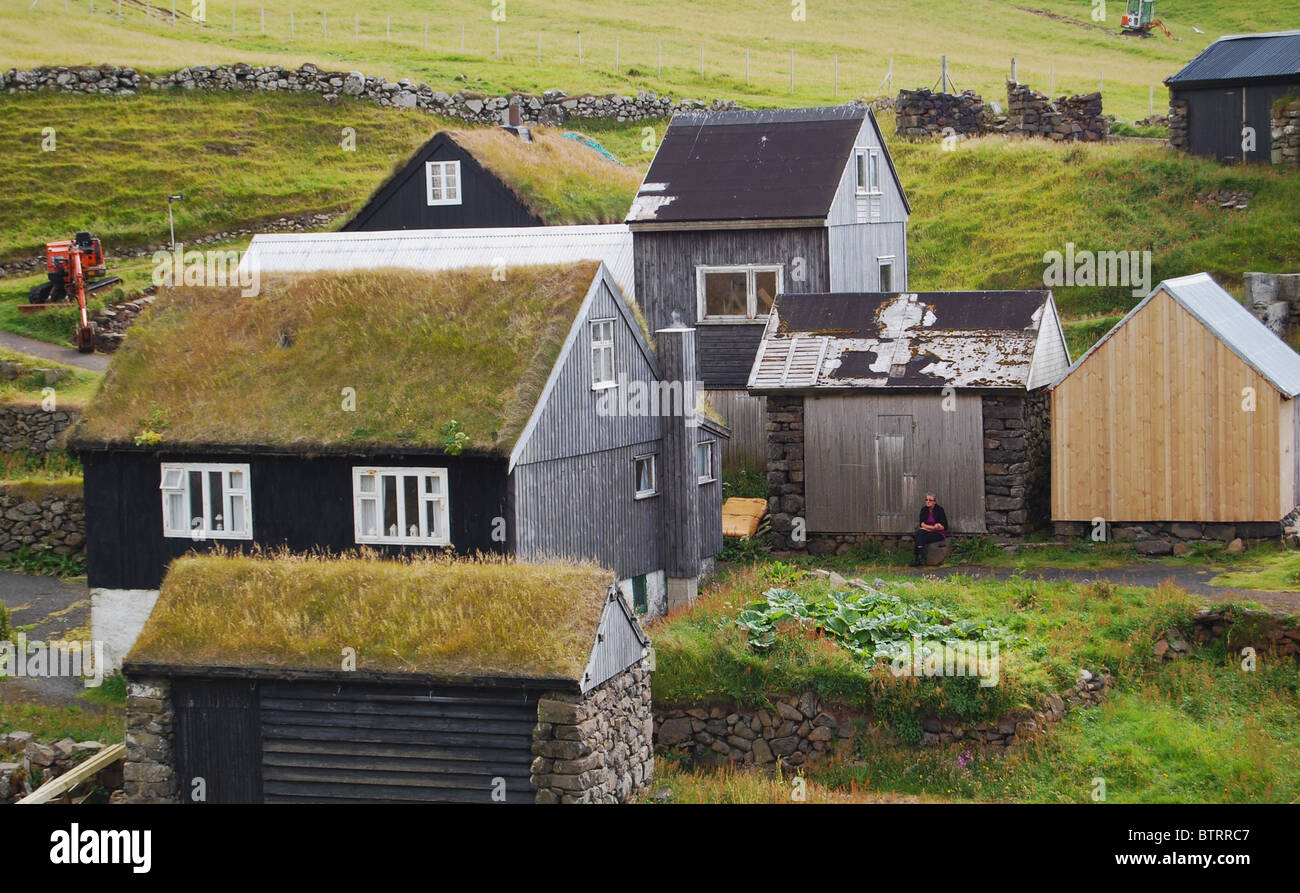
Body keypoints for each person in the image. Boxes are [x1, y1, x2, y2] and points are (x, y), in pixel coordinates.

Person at [913, 492, 948, 566]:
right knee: (920, 533)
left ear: (934, 502)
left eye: (930, 500)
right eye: (926, 500)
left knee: (919, 535)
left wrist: (938, 526)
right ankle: (919, 558)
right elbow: (922, 524)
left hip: (938, 533)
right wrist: (932, 528)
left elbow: (944, 526)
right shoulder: (924, 510)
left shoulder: (940, 510)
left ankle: (918, 558)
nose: (927, 501)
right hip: (928, 531)